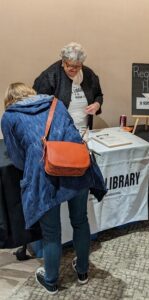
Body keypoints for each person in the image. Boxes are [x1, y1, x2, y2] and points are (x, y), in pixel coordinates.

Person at [1, 83, 107, 295]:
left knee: (51, 233)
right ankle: (83, 271)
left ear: (9, 100)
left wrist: (37, 161)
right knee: (80, 220)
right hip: (77, 166)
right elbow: (70, 130)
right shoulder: (55, 103)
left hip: (44, 175)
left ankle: (50, 281)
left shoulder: (9, 117)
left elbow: (16, 155)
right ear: (30, 93)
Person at [33, 42, 103, 131]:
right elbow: (38, 103)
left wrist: (97, 104)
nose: (74, 69)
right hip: (59, 131)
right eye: (70, 65)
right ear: (63, 61)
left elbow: (98, 95)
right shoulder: (50, 75)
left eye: (77, 66)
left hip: (84, 129)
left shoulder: (88, 74)